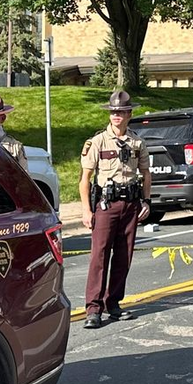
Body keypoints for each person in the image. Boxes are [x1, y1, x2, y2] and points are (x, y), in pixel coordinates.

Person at [79, 89, 151, 330]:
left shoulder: (137, 142)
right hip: (105, 205)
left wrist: (146, 201)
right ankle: (93, 308)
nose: (116, 115)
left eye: (121, 111)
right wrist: (86, 211)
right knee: (99, 256)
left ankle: (114, 303)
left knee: (124, 256)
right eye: (113, 112)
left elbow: (146, 174)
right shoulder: (97, 141)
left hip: (130, 204)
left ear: (129, 114)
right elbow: (85, 178)